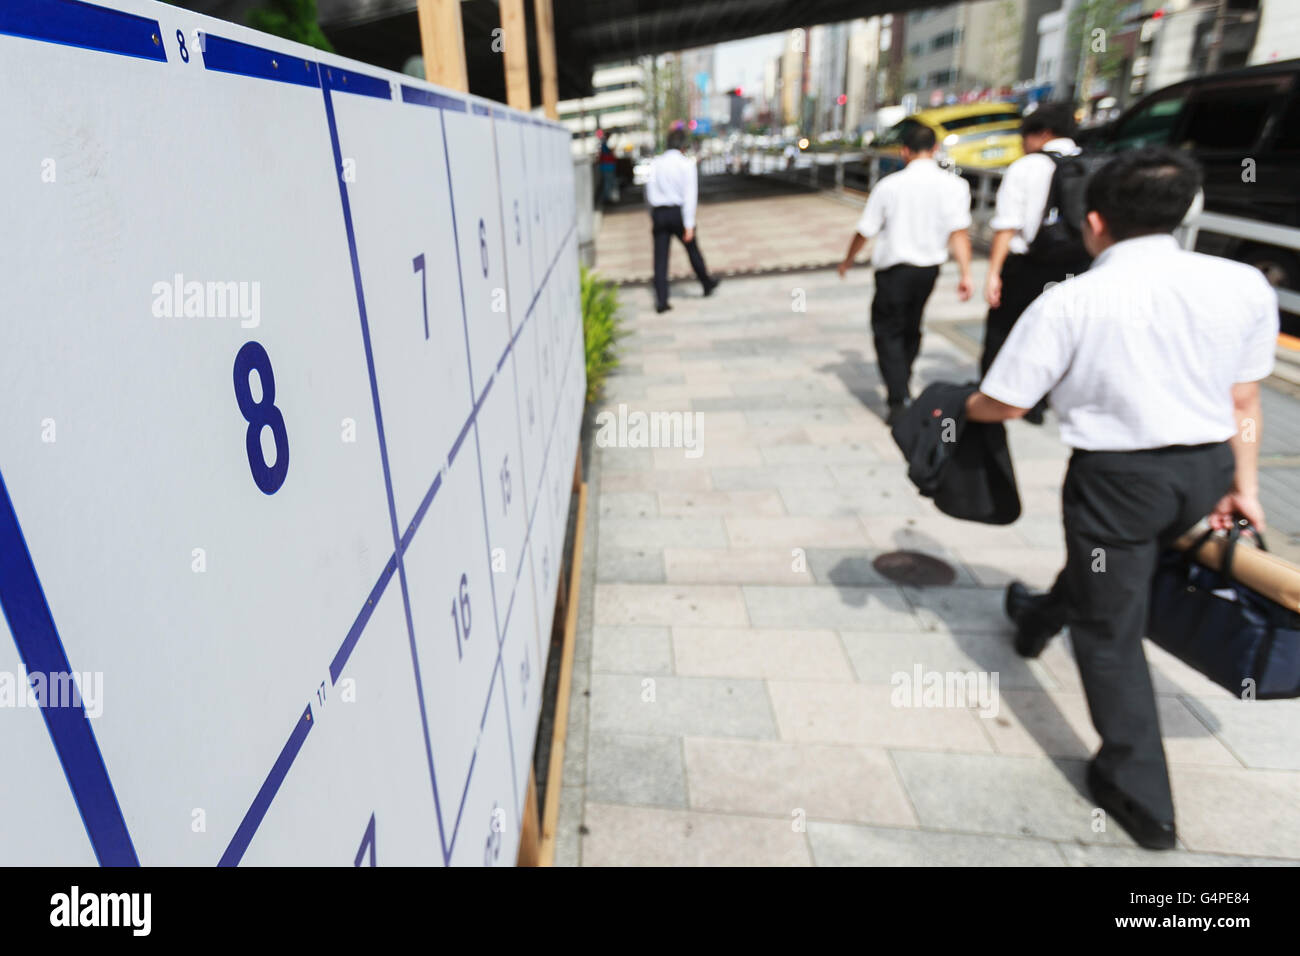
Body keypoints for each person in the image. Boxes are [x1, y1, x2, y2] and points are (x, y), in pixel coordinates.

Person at [966, 147, 1279, 849]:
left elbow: (1006, 404)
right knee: (1105, 570)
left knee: (1109, 631)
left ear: (1095, 220)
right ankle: (1037, 616)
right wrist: (1245, 486)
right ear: (1185, 211)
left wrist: (960, 407)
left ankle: (1138, 789)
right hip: (1205, 468)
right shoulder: (1243, 284)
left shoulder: (1071, 300)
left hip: (1120, 484)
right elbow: (1245, 396)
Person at [837, 123, 974, 424]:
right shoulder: (955, 185)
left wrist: (847, 260)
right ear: (935, 149)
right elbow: (959, 233)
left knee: (888, 331)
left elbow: (866, 229)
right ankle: (903, 379)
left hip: (894, 271)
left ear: (904, 152)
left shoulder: (890, 185)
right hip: (929, 271)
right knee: (912, 326)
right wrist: (966, 274)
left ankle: (898, 397)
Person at [982, 104, 1091, 424]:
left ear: (1042, 134)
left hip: (1028, 264)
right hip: (1076, 263)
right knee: (1058, 332)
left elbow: (1007, 226)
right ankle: (1041, 402)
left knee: (1004, 330)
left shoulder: (1026, 167)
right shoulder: (1090, 162)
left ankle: (998, 399)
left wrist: (993, 273)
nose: (1022, 143)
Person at [646, 128, 718, 314]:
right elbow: (690, 196)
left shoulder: (656, 164)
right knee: (692, 249)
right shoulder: (686, 164)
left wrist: (653, 214)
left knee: (660, 259)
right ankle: (706, 282)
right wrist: (689, 224)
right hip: (678, 213)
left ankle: (662, 301)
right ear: (683, 146)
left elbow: (649, 193)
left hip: (659, 213)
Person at [598, 137, 617, 204]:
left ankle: (608, 198)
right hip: (607, 167)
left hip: (608, 167)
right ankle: (607, 198)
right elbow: (608, 153)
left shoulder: (604, 146)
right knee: (608, 183)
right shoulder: (604, 146)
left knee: (609, 183)